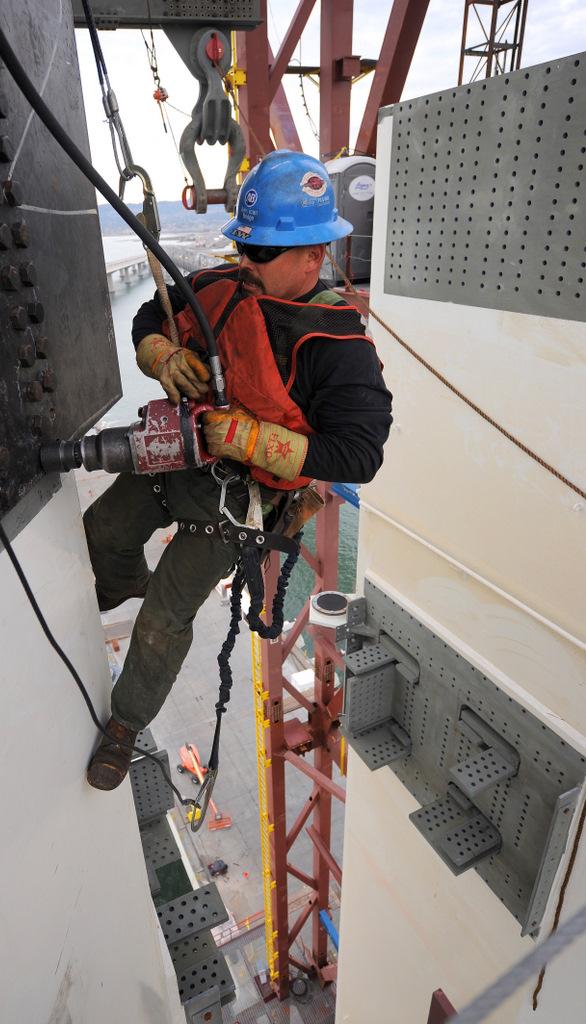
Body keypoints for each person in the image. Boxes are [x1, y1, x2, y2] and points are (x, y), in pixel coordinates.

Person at [84, 150, 392, 791]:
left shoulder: (339, 348)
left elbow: (360, 453)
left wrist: (257, 441)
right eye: (244, 248)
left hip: (238, 501)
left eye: (260, 254)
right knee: (103, 529)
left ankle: (126, 724)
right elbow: (154, 310)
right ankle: (120, 582)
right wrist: (159, 349)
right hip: (185, 455)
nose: (245, 263)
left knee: (165, 616)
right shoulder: (222, 290)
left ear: (314, 256)